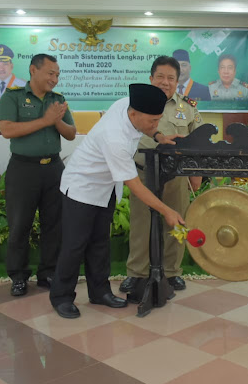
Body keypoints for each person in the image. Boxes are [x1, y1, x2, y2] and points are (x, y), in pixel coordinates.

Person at [49, 83, 186, 319]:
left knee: (100, 243)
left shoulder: (128, 105)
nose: (155, 125)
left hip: (105, 188)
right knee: (74, 245)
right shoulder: (115, 138)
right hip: (82, 188)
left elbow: (147, 126)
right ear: (133, 114)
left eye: (158, 120)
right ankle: (61, 297)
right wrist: (167, 211)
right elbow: (136, 187)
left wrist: (158, 135)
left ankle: (99, 292)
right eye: (153, 121)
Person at [120, 56, 203, 295]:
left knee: (176, 223)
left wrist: (195, 174)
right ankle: (136, 273)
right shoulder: (135, 106)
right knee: (140, 224)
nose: (165, 82)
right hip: (143, 175)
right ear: (151, 78)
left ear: (178, 81)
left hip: (176, 176)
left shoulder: (187, 108)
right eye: (160, 77)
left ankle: (172, 272)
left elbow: (197, 143)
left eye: (170, 78)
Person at [0, 53, 76, 297]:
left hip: (53, 168)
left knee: (54, 224)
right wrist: (45, 120)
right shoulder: (13, 97)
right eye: (50, 73)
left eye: (57, 74)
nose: (55, 78)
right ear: (33, 70)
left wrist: (57, 122)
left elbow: (71, 133)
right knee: (20, 224)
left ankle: (48, 273)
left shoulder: (58, 100)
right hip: (24, 169)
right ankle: (19, 276)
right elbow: (7, 129)